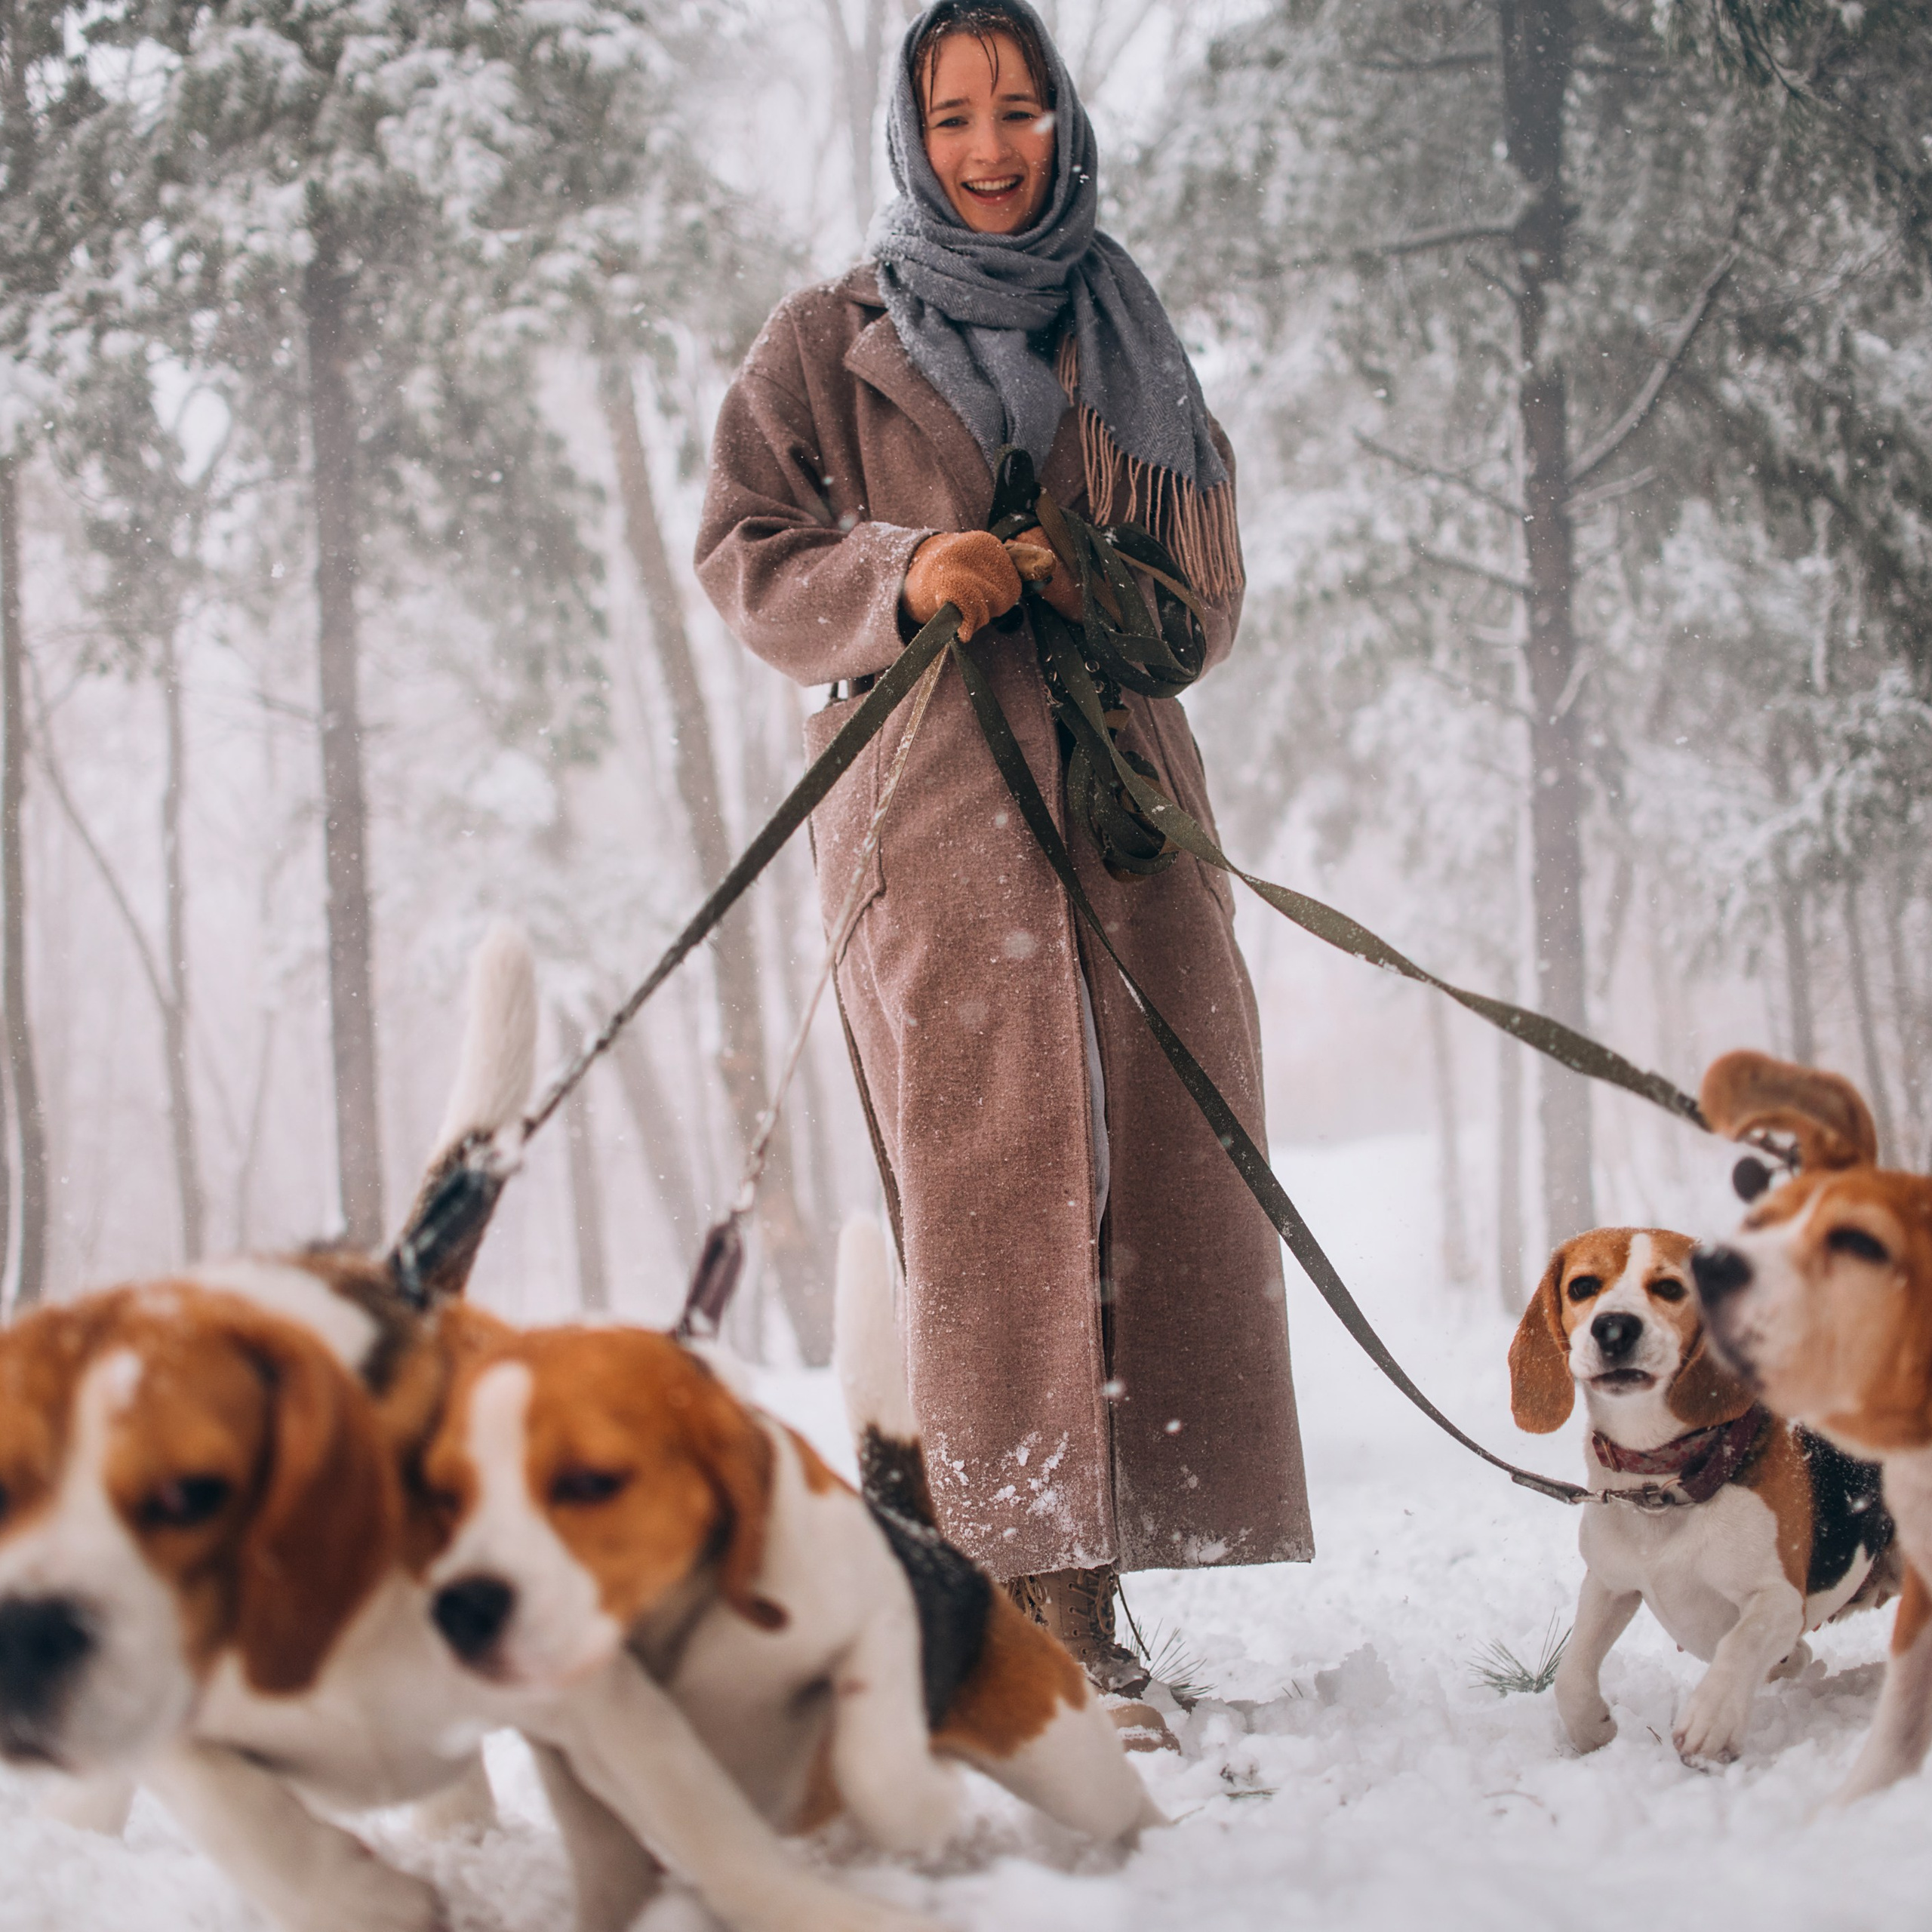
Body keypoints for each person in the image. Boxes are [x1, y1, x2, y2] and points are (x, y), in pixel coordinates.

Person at [695, 0, 1309, 1705]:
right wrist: (902, 569)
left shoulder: (1123, 329)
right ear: (911, 129)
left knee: (1147, 1179)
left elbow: (1205, 604)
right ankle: (1042, 1616)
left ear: (1060, 121)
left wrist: (1073, 569)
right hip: (932, 815)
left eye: (1018, 107)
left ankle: (1108, 1574)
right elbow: (743, 546)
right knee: (992, 1202)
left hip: (1126, 810)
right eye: (954, 113)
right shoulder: (826, 337)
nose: (988, 145)